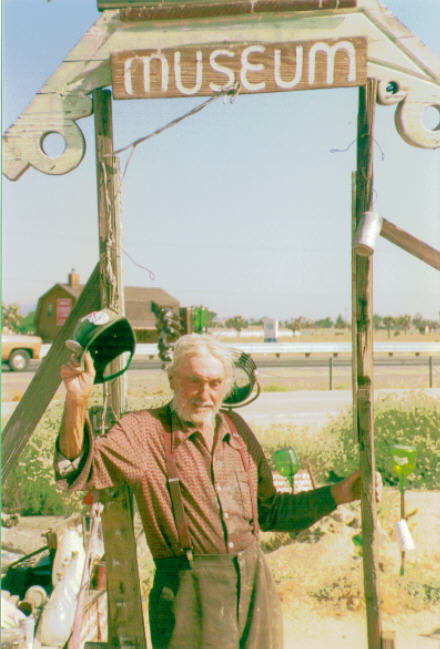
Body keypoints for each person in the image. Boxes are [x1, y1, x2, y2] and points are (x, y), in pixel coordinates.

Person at [55, 333, 381, 649]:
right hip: (189, 597)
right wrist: (76, 399)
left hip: (255, 588)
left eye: (214, 384)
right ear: (172, 381)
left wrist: (337, 494)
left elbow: (271, 512)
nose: (204, 394)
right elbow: (75, 465)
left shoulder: (237, 430)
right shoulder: (145, 431)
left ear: (225, 386)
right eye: (193, 381)